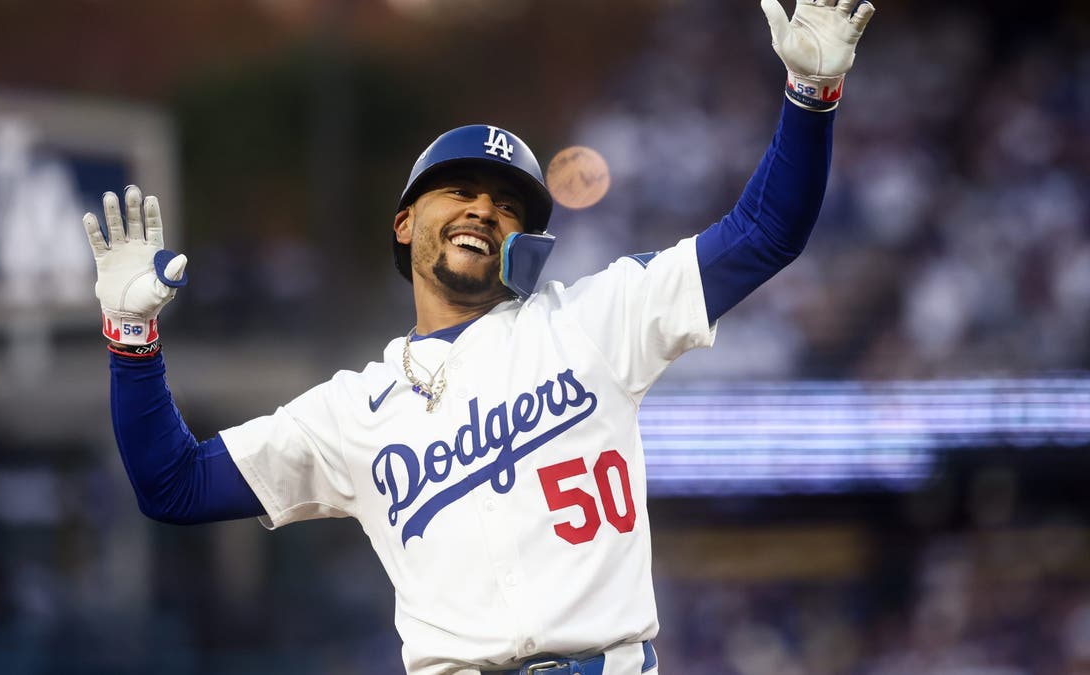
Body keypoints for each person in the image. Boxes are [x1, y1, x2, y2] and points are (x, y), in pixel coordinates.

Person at [81, 2, 875, 673]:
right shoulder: (350, 411)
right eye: (459, 190)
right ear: (404, 223)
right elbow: (172, 486)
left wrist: (811, 94)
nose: (483, 209)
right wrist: (131, 338)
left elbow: (767, 232)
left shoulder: (594, 319)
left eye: (507, 205)